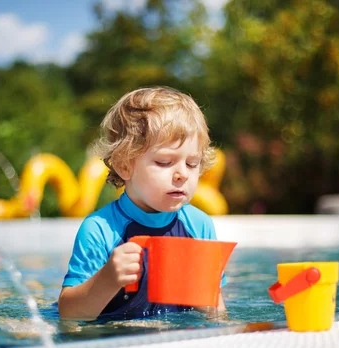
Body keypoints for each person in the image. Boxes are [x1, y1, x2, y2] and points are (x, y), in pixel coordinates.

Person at [58, 86, 226, 321]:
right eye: (165, 162)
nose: (182, 175)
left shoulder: (199, 225)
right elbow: (69, 314)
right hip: (114, 336)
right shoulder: (100, 229)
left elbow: (215, 309)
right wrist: (108, 279)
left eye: (192, 164)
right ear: (125, 165)